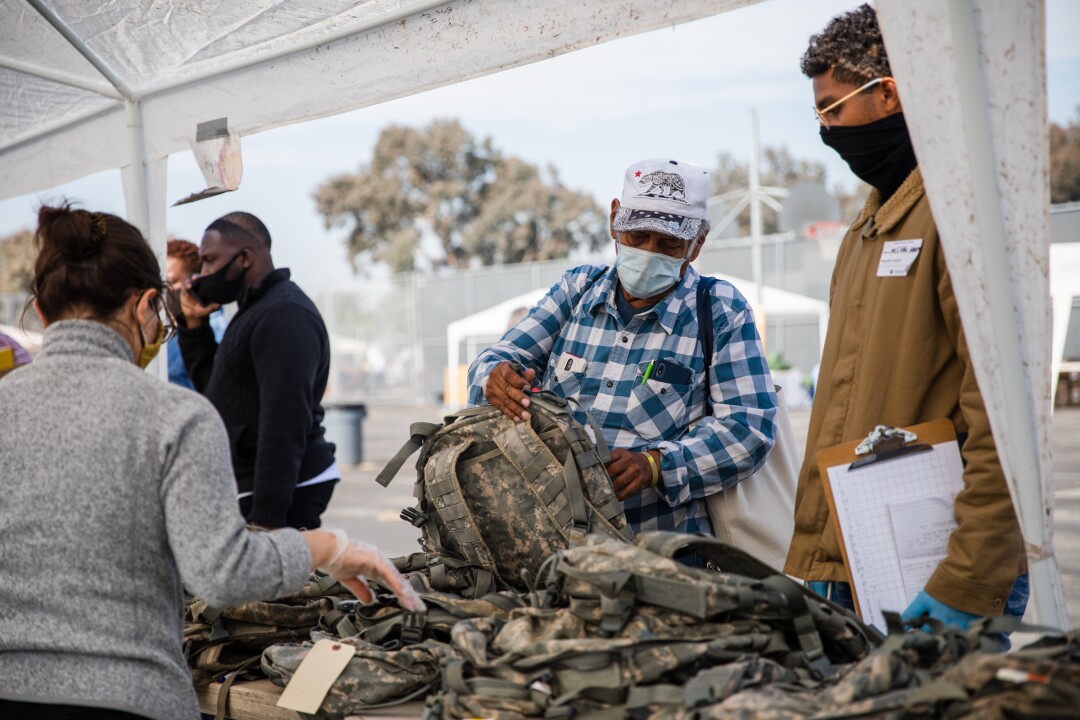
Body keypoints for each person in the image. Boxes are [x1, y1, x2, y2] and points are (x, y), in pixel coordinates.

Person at [0, 204, 423, 720]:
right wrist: (328, 547)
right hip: (131, 697)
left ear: (41, 313)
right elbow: (223, 573)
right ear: (146, 305)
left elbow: (279, 428)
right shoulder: (173, 415)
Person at [784, 4, 1028, 636]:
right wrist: (817, 554)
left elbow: (1001, 416)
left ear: (888, 93)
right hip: (850, 559)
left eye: (833, 108)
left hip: (932, 567)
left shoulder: (958, 216)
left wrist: (967, 575)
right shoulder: (863, 234)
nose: (824, 129)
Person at [468, 158, 777, 562]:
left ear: (697, 244)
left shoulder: (720, 309)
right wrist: (494, 377)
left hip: (658, 552)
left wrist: (657, 466)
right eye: (637, 235)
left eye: (669, 244)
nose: (649, 252)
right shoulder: (577, 289)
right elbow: (499, 357)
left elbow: (749, 427)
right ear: (615, 220)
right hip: (550, 543)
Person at [177, 212, 339, 530]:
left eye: (209, 261)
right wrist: (194, 327)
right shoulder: (254, 310)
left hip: (284, 493)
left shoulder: (283, 313)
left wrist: (267, 517)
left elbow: (284, 421)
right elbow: (218, 392)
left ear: (245, 258)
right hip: (251, 485)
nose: (201, 274)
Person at [164, 239, 226, 389]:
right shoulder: (163, 328)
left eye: (172, 281)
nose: (164, 289)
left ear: (192, 284)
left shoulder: (216, 331)